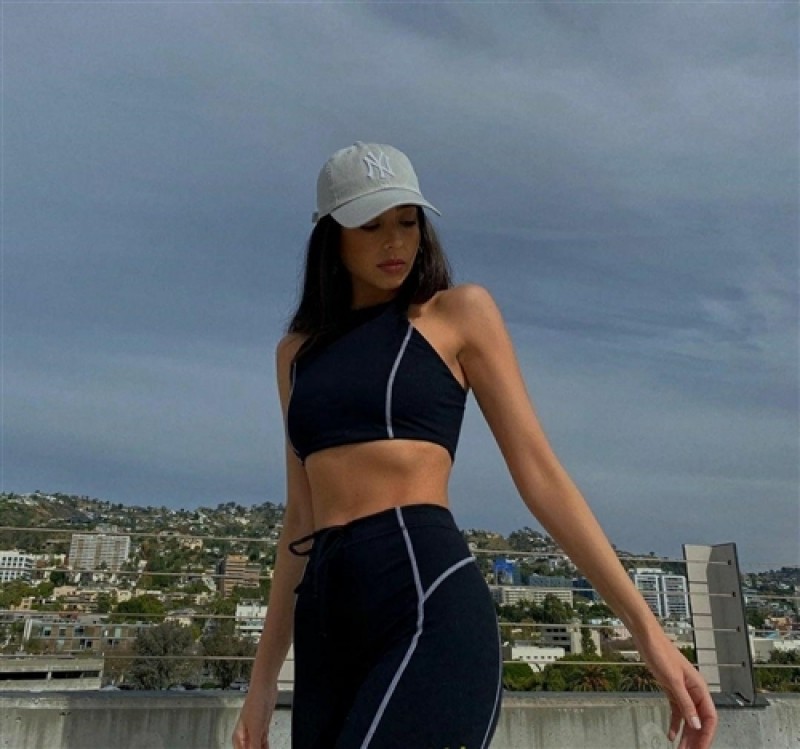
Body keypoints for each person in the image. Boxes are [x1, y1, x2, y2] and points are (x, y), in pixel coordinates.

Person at [232, 142, 718, 749]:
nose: (395, 241)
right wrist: (261, 685)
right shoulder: (296, 355)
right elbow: (299, 520)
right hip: (326, 619)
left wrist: (647, 632)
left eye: (407, 221)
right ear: (332, 236)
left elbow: (538, 472)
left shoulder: (457, 314)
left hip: (425, 598)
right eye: (371, 225)